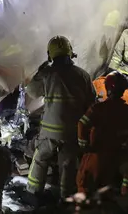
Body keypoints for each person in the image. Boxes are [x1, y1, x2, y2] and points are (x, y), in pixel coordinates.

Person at [26, 36, 95, 199]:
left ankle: (33, 193)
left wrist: (39, 72)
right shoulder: (83, 75)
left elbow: (32, 91)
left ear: (50, 55)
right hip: (72, 131)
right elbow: (92, 104)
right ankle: (65, 197)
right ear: (70, 52)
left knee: (40, 159)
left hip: (50, 131)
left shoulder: (48, 74)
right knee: (68, 164)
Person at [76, 71, 128, 195]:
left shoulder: (98, 109)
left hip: (96, 156)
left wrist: (83, 145)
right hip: (117, 159)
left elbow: (82, 124)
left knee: (85, 188)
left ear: (108, 88)